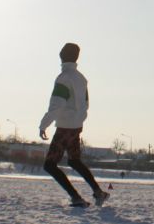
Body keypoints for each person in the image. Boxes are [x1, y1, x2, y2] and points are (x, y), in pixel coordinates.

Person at [38, 42, 108, 207]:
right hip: (76, 126)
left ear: (62, 57)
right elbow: (86, 103)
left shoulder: (64, 78)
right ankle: (98, 193)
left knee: (49, 165)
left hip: (65, 127)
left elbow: (57, 105)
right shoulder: (81, 78)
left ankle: (76, 198)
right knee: (74, 161)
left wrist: (43, 125)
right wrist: (79, 120)